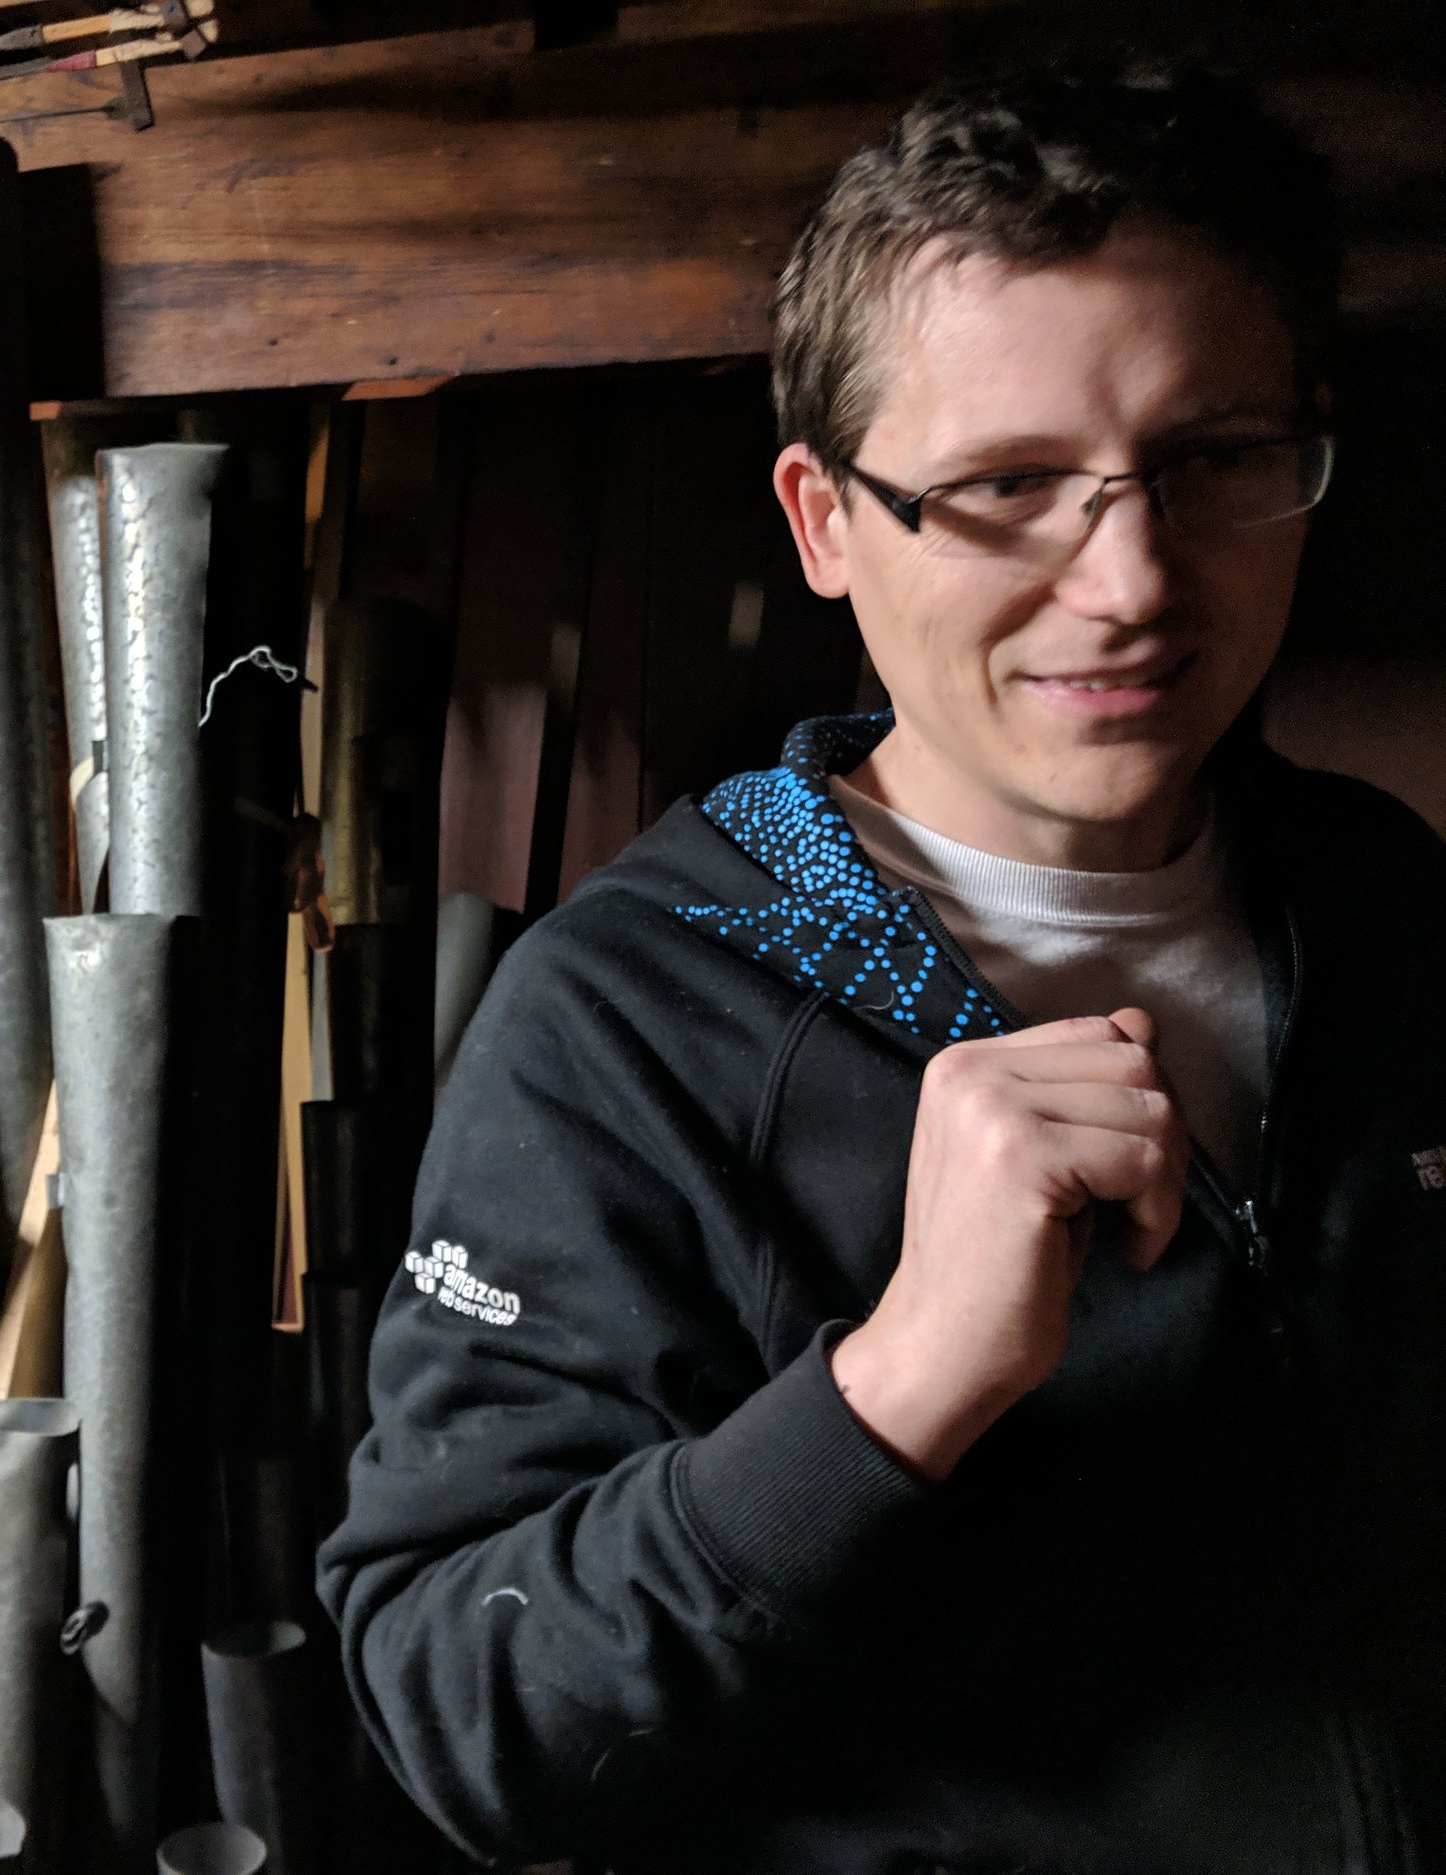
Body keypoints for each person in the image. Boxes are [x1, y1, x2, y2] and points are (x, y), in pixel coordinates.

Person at [317, 60, 1446, 1873]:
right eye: (1007, 487)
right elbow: (468, 1712)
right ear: (826, 520)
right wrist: (902, 1380)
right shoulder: (628, 1018)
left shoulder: (1386, 902)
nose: (1134, 580)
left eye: (1217, 460)